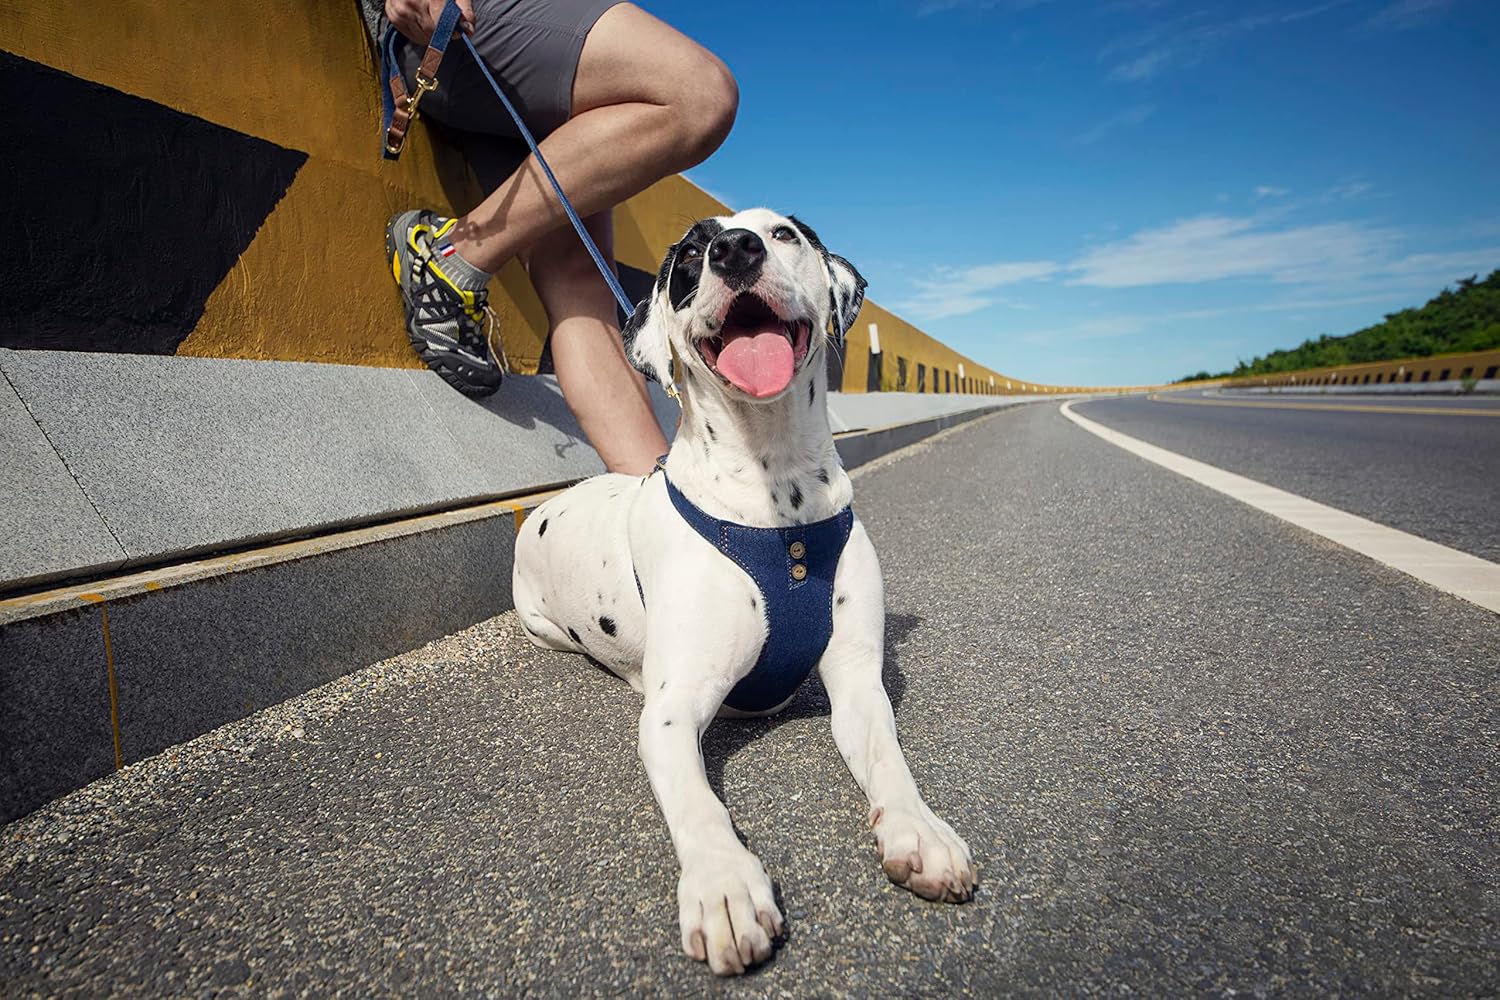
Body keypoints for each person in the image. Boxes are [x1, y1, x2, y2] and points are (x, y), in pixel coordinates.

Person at [379, 0, 738, 475]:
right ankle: (452, 255)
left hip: (514, 74)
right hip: (458, 25)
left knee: (580, 284)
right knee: (700, 92)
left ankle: (656, 494)